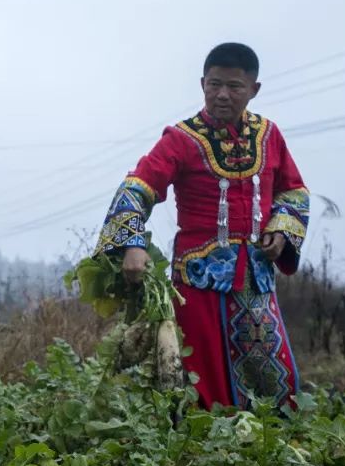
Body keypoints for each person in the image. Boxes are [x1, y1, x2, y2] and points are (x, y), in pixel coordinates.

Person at [94, 43, 309, 410]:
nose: (222, 94)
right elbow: (138, 185)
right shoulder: (181, 139)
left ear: (254, 90)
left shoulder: (270, 135)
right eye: (214, 84)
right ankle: (204, 452)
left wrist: (282, 230)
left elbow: (294, 191)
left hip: (256, 283)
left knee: (277, 382)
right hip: (197, 284)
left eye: (234, 86)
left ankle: (271, 451)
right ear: (202, 84)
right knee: (199, 382)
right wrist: (132, 243)